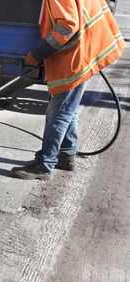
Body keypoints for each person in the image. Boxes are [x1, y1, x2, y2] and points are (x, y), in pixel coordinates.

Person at [11, 0, 125, 180]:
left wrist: (37, 54)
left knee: (58, 112)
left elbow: (67, 26)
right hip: (87, 46)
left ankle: (45, 164)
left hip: (77, 54)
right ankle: (66, 155)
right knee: (68, 108)